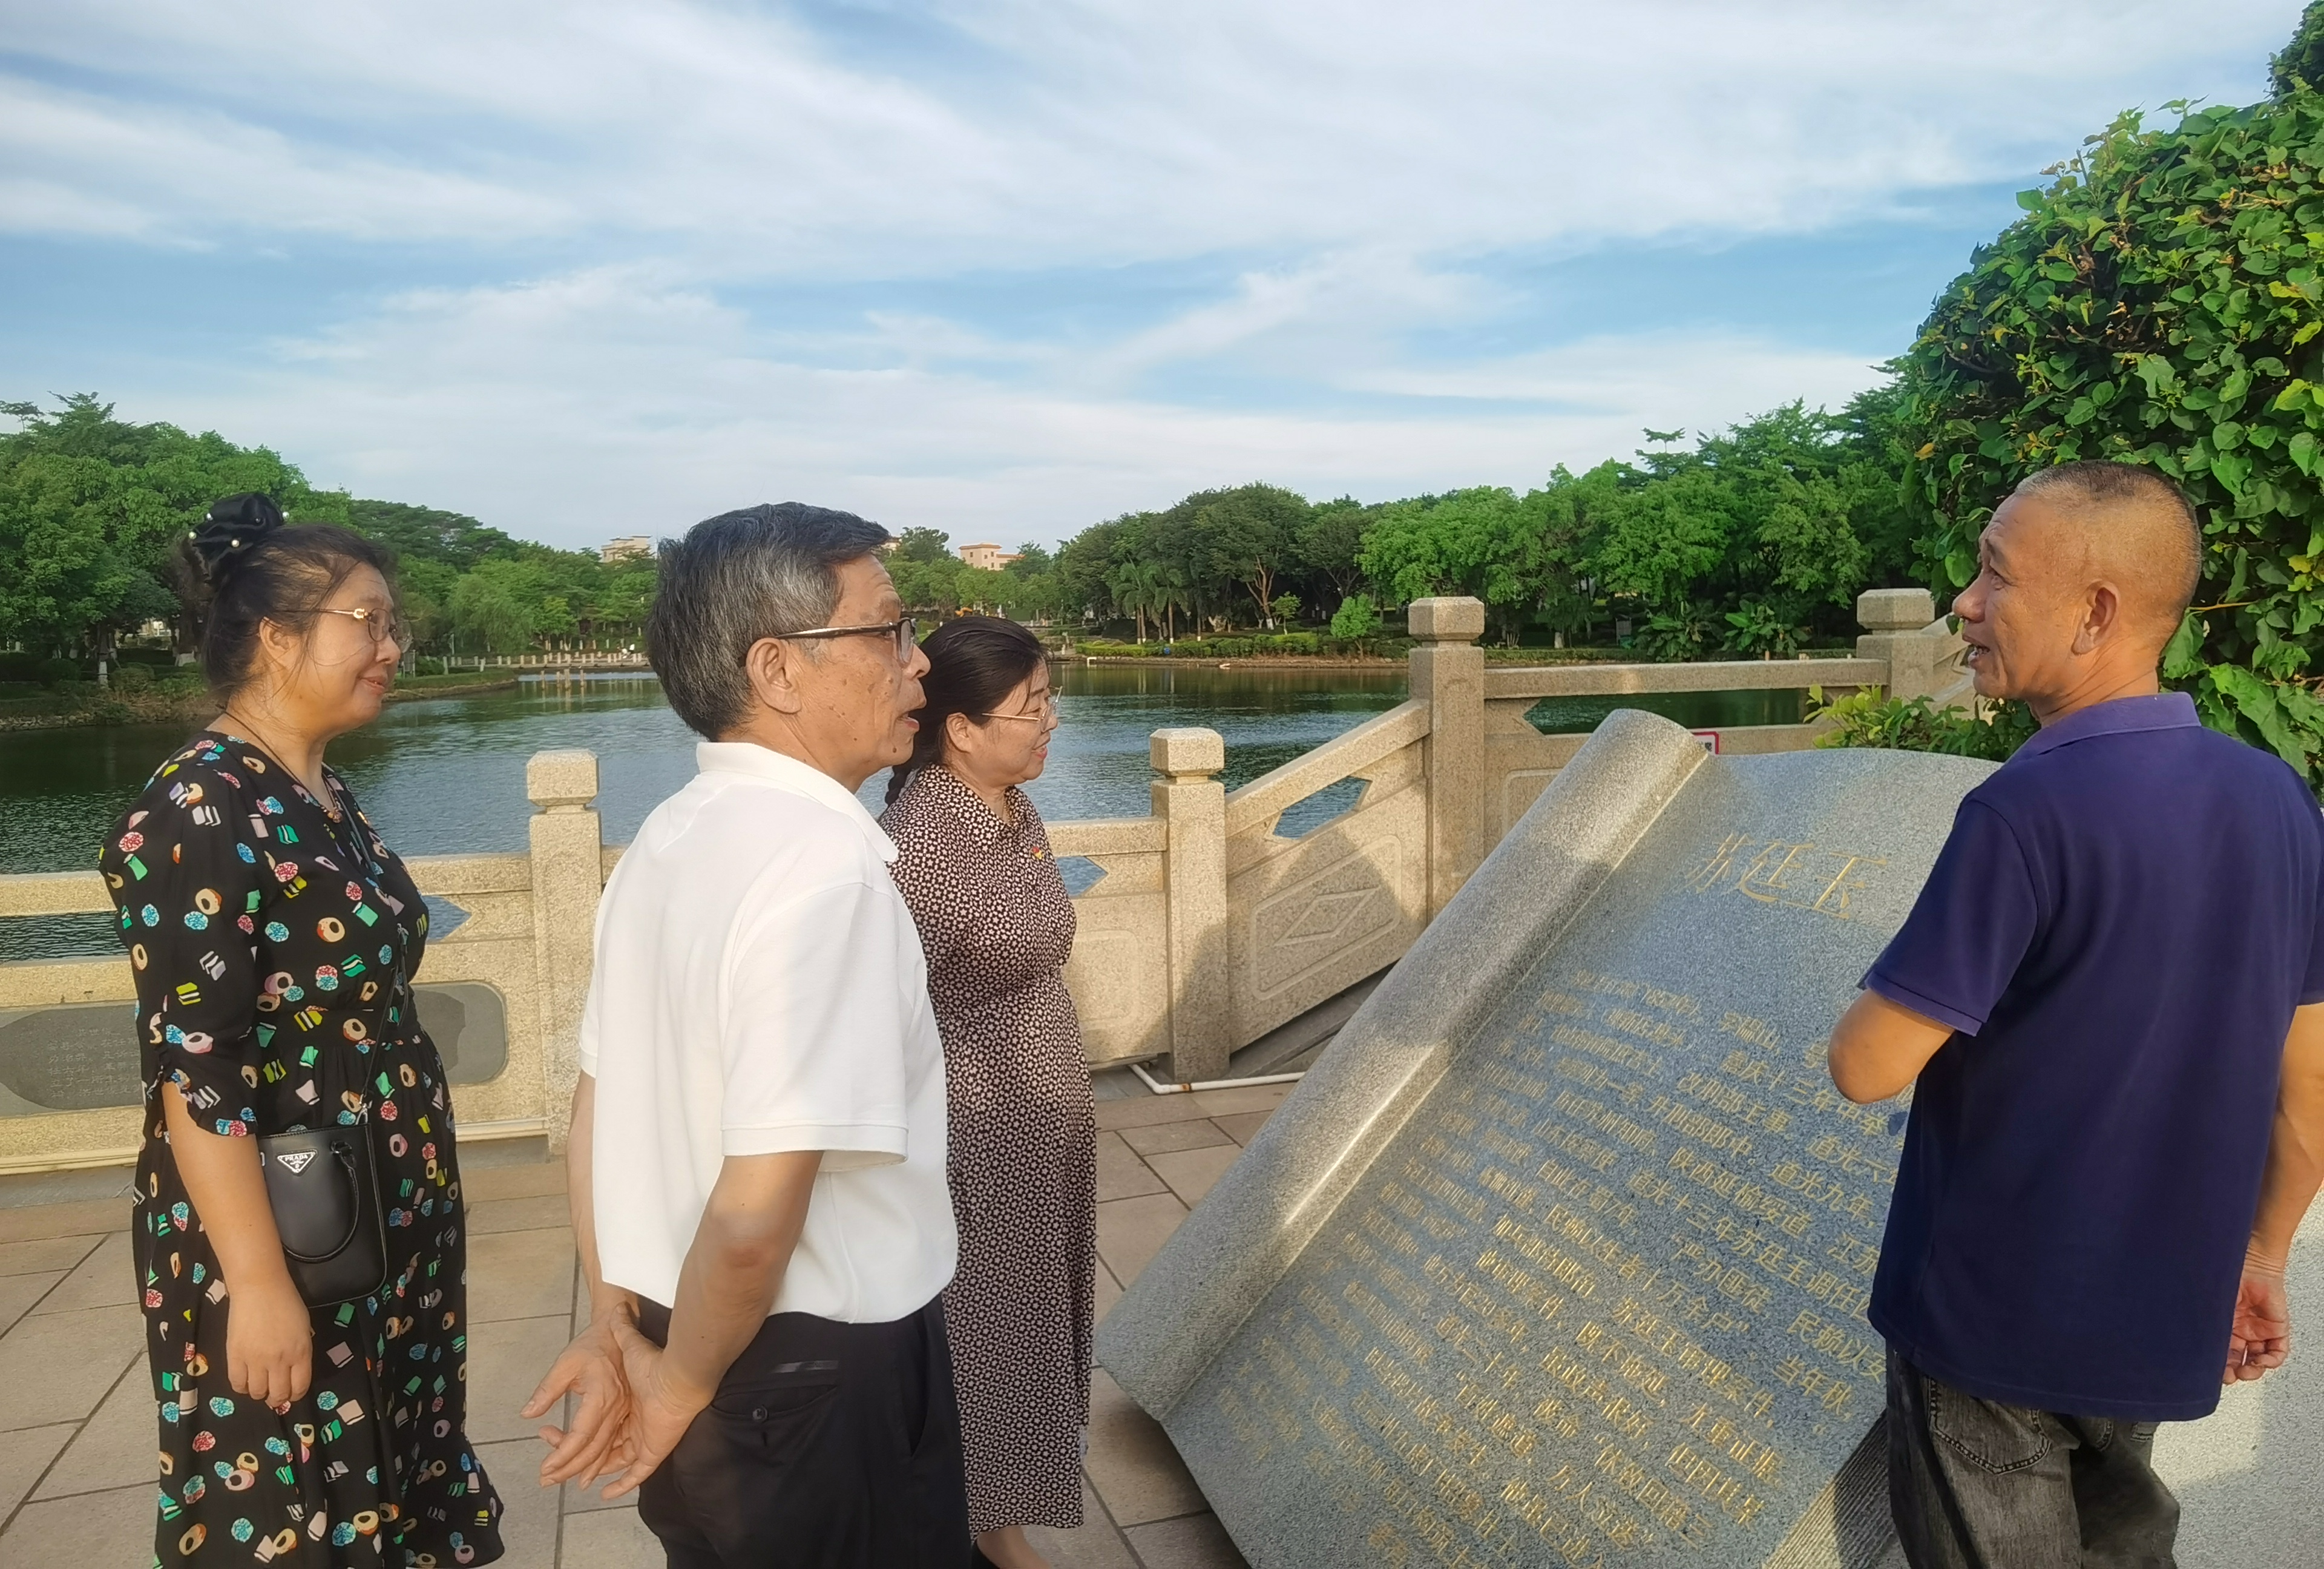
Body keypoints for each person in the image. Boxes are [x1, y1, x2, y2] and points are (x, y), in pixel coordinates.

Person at [1823, 461, 2324, 1567]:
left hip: (1990, 1317)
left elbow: (1867, 1065)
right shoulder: (2279, 800)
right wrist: (2263, 1254)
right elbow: (2311, 1086)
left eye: (1996, 574)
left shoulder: (2025, 810)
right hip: (2161, 1302)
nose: (1965, 603)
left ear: (2095, 613)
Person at [525, 503, 968, 1568]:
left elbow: (596, 1114)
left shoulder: (671, 835)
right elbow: (757, 1212)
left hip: (680, 1330)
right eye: (890, 631)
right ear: (778, 668)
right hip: (808, 1371)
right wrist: (675, 1388)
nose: (918, 664)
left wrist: (617, 1324)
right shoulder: (825, 869)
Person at [99, 494, 505, 1568]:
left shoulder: (321, 790)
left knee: (392, 1469)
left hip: (381, 1203)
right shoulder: (199, 806)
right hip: (284, 1226)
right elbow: (196, 1067)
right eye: (367, 622)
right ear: (278, 639)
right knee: (297, 1496)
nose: (392, 646)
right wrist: (258, 1285)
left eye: (390, 623)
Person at [879, 618, 1094, 1569]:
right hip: (977, 1134)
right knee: (987, 1332)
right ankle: (988, 1528)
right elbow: (887, 1019)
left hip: (1042, 1123)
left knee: (1034, 1320)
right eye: (1032, 706)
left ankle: (999, 1509)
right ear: (961, 729)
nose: (1051, 721)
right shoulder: (921, 848)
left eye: (1049, 700)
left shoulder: (1014, 810)